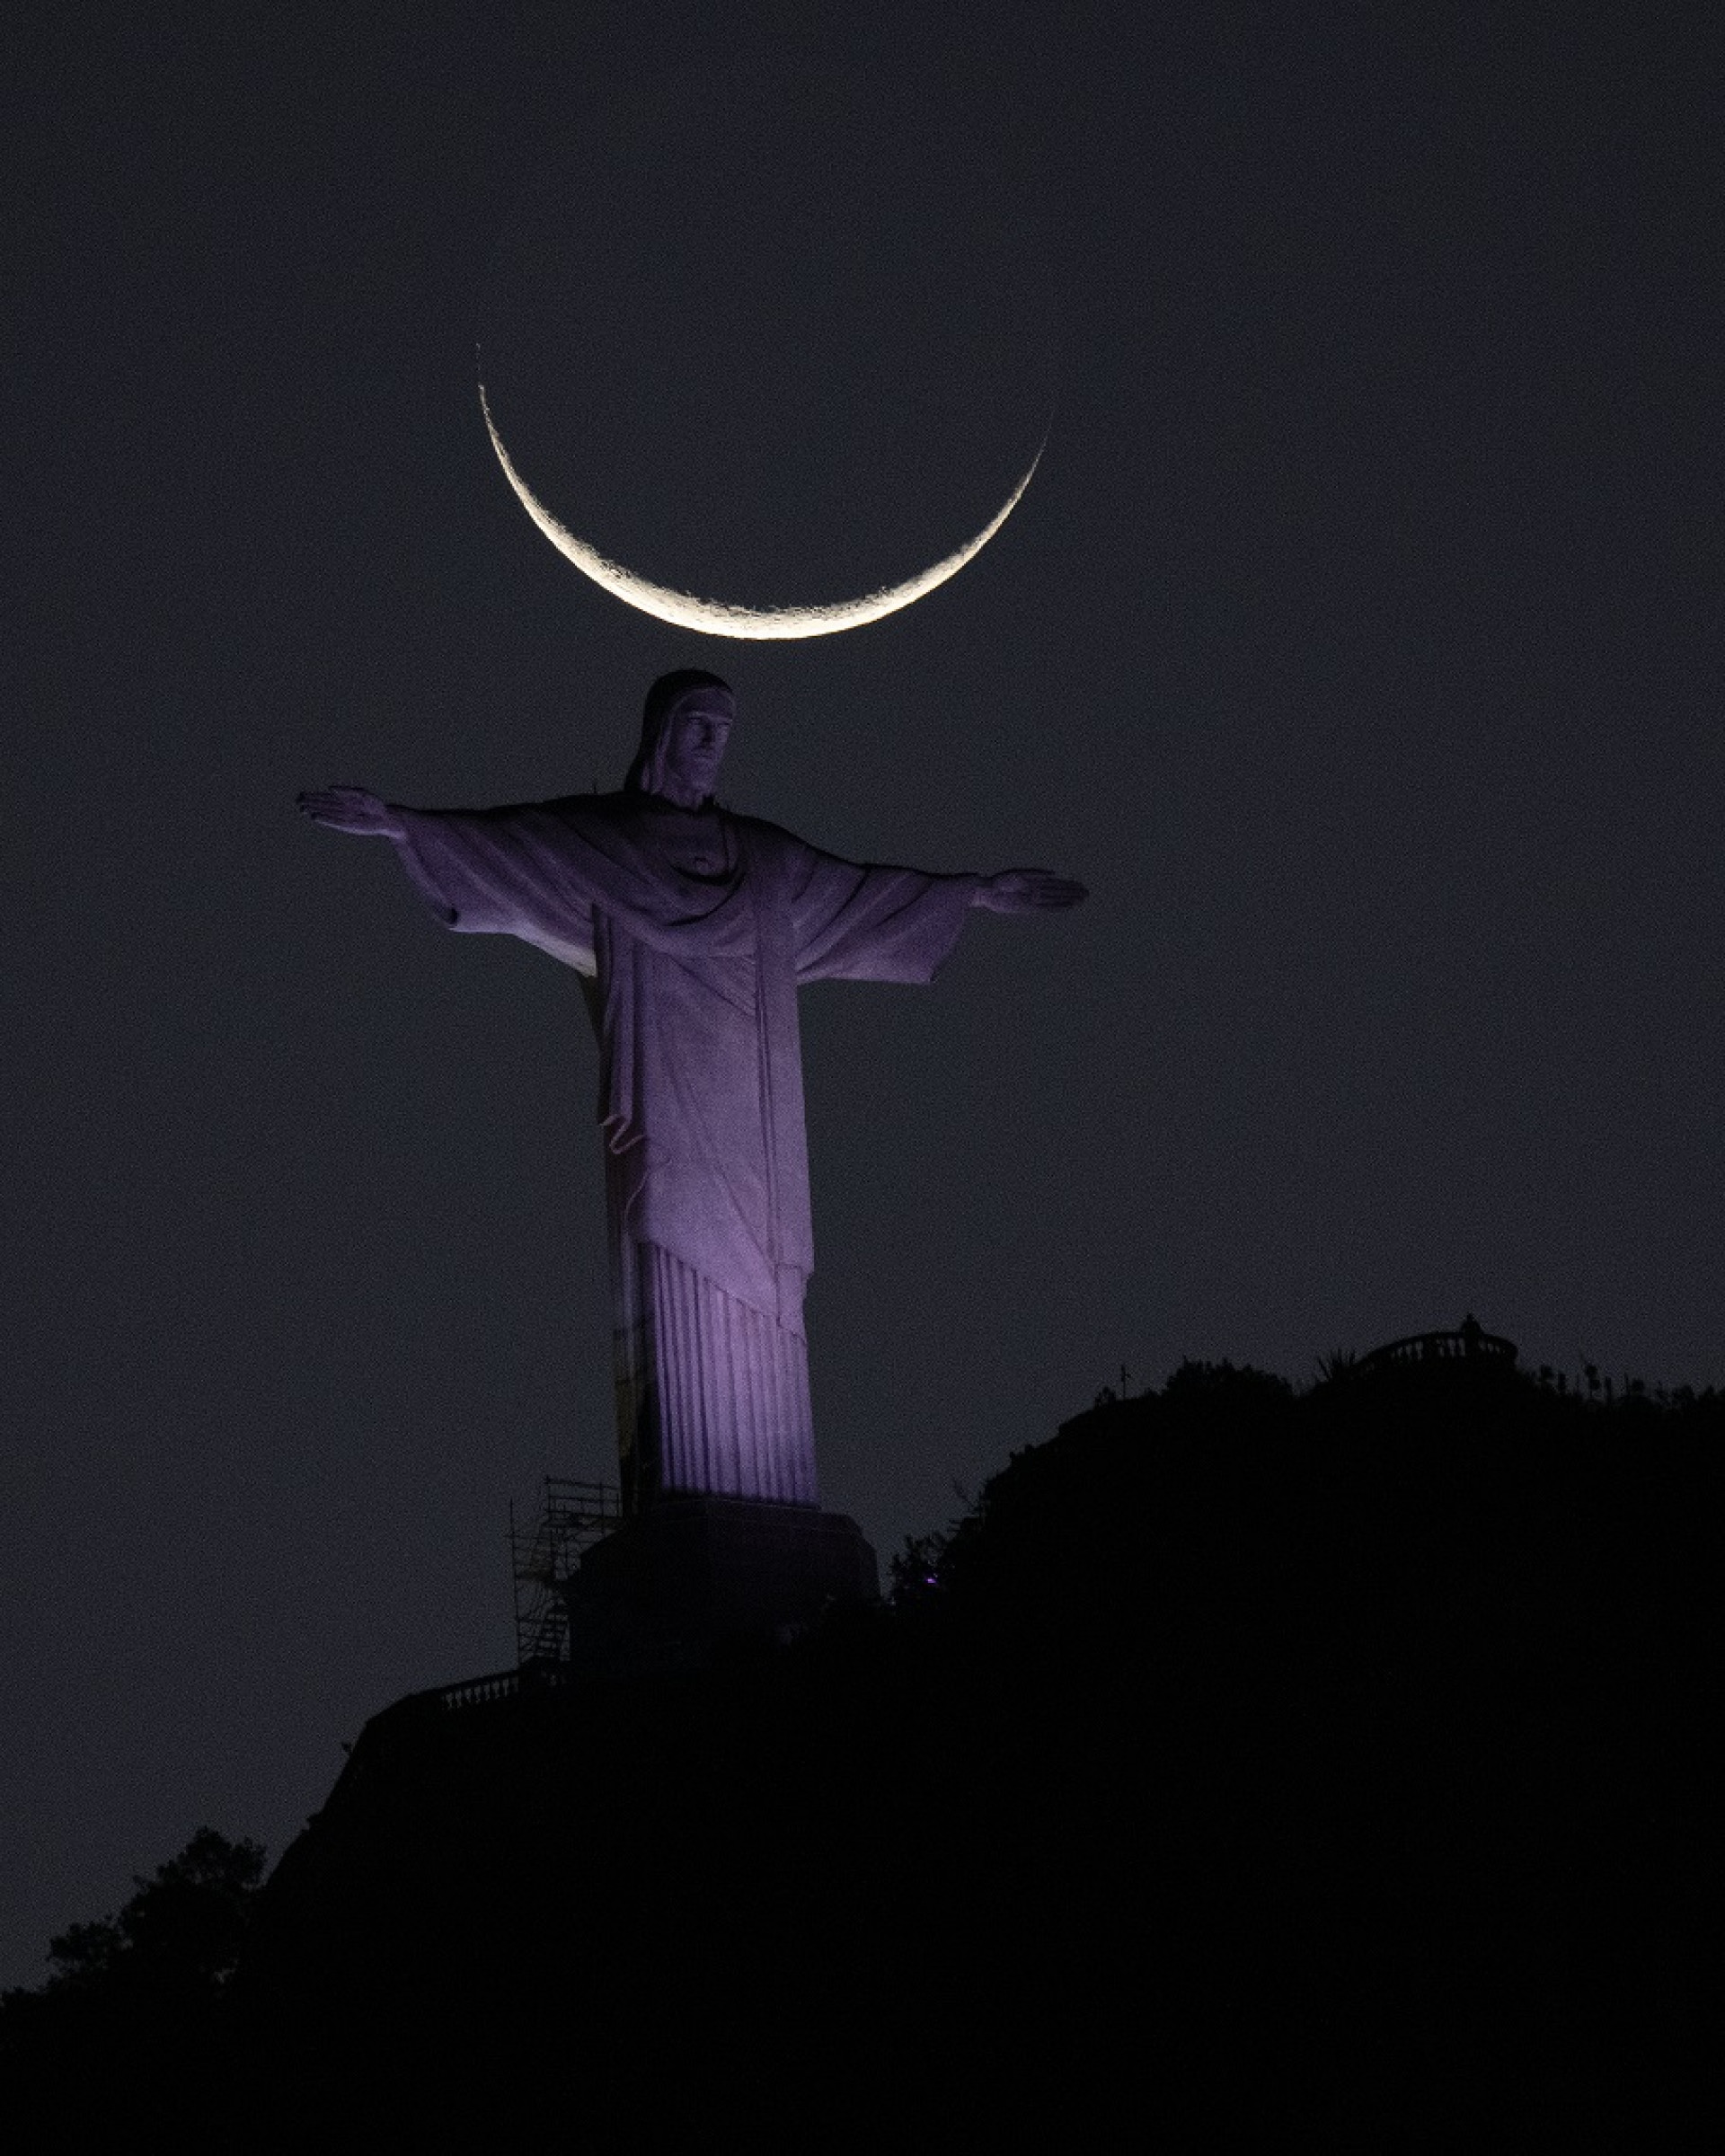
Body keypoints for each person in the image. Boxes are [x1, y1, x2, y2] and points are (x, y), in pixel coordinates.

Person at [300, 670, 1085, 1513]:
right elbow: (514, 849)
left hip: (754, 1122)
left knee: (764, 1290)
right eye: (699, 728)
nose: (713, 747)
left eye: (725, 732)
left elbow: (860, 893)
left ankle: (769, 1500)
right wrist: (401, 826)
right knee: (667, 1257)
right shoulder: (610, 843)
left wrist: (974, 893)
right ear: (661, 736)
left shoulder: (765, 863)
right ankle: (691, 1496)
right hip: (664, 1113)